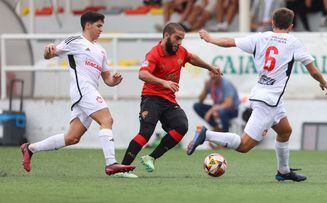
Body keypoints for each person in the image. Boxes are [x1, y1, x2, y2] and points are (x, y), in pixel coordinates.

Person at [187, 8, 327, 182]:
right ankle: (207, 134)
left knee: (285, 131)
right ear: (291, 26)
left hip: (266, 97)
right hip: (268, 102)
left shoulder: (261, 37)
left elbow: (229, 42)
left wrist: (211, 39)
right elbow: (313, 70)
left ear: (272, 23)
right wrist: (323, 83)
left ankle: (283, 171)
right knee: (244, 146)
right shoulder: (294, 42)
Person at [20, 11, 136, 176]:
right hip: (83, 90)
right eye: (99, 26)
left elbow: (107, 79)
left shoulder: (101, 51)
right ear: (87, 25)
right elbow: (49, 55)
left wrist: (114, 81)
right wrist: (48, 50)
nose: (101, 29)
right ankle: (111, 163)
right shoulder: (75, 41)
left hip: (90, 92)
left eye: (102, 26)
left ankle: (30, 148)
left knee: (72, 138)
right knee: (107, 119)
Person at [117, 22, 221, 178]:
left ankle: (151, 157)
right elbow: (142, 74)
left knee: (181, 126)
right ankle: (122, 169)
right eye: (177, 38)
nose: (179, 43)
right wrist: (163, 82)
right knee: (146, 133)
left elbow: (192, 58)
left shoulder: (180, 51)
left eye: (182, 39)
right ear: (166, 36)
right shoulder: (154, 53)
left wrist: (210, 67)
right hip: (151, 98)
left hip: (168, 101)